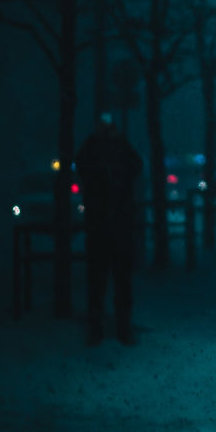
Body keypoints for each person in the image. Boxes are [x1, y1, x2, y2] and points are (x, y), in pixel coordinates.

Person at [75, 113, 143, 346]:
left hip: (107, 226)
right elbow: (135, 167)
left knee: (106, 281)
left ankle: (108, 330)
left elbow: (135, 167)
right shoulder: (99, 148)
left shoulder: (106, 148)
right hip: (108, 226)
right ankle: (112, 329)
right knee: (108, 281)